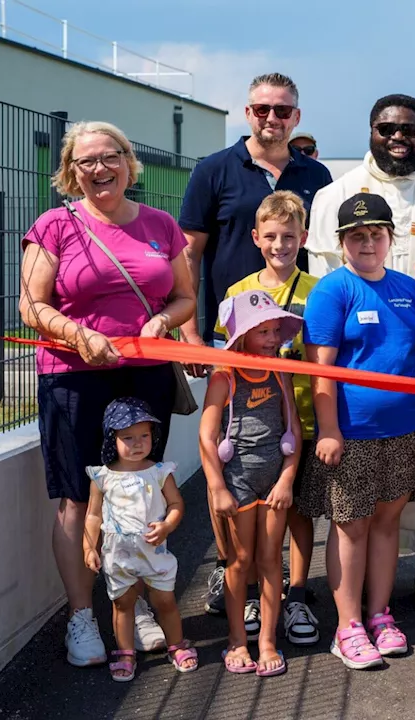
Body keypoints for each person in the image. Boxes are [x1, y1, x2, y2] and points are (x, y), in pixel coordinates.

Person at [19, 120, 196, 668]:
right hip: (72, 374)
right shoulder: (55, 225)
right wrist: (79, 334)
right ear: (71, 171)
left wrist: (162, 323)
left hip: (142, 374)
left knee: (141, 489)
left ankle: (132, 601)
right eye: (86, 161)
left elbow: (186, 297)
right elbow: (31, 305)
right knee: (78, 497)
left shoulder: (162, 226)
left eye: (110, 157)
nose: (100, 169)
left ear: (128, 162)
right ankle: (80, 616)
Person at [306, 94, 415, 618]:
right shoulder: (337, 195)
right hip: (358, 375)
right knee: (360, 503)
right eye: (386, 128)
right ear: (370, 131)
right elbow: (322, 283)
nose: (398, 137)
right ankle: (359, 604)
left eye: (409, 129)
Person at [177, 72, 332, 621]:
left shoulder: (317, 174)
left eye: (284, 110)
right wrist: (192, 331)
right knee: (233, 470)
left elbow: (326, 261)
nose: (273, 118)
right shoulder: (213, 170)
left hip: (296, 352)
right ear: (247, 112)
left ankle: (294, 593)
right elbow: (189, 256)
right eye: (263, 108)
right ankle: (233, 578)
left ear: (297, 116)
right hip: (235, 349)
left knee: (294, 486)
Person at [299, 193, 415, 669]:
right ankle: (347, 627)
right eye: (356, 236)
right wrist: (329, 430)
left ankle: (380, 615)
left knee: (386, 525)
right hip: (352, 434)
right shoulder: (331, 291)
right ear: (341, 243)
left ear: (389, 240)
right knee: (351, 528)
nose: (367, 243)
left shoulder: (408, 288)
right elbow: (321, 370)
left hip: (402, 431)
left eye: (376, 234)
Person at [213, 191, 321, 646]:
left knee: (295, 509)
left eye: (289, 236)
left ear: (304, 238)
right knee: (247, 518)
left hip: (301, 420)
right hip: (249, 426)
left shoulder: (318, 291)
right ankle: (256, 591)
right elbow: (224, 356)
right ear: (257, 238)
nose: (280, 244)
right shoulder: (238, 291)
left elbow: (320, 359)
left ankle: (296, 592)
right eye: (272, 236)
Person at [198, 291, 304, 677]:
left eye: (277, 330)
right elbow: (207, 438)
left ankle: (268, 641)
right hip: (238, 481)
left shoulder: (280, 372)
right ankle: (238, 640)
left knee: (271, 560)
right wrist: (217, 487)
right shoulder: (224, 378)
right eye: (264, 332)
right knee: (240, 561)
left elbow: (293, 430)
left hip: (274, 480)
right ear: (241, 336)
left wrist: (288, 479)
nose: (274, 339)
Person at [83, 398, 198, 682]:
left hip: (154, 551)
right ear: (112, 439)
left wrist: (168, 525)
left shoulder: (159, 472)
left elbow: (176, 504)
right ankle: (125, 652)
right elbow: (93, 516)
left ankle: (176, 645)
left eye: (144, 436)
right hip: (117, 554)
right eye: (128, 438)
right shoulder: (103, 476)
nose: (137, 443)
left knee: (165, 600)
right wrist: (89, 547)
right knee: (122, 603)